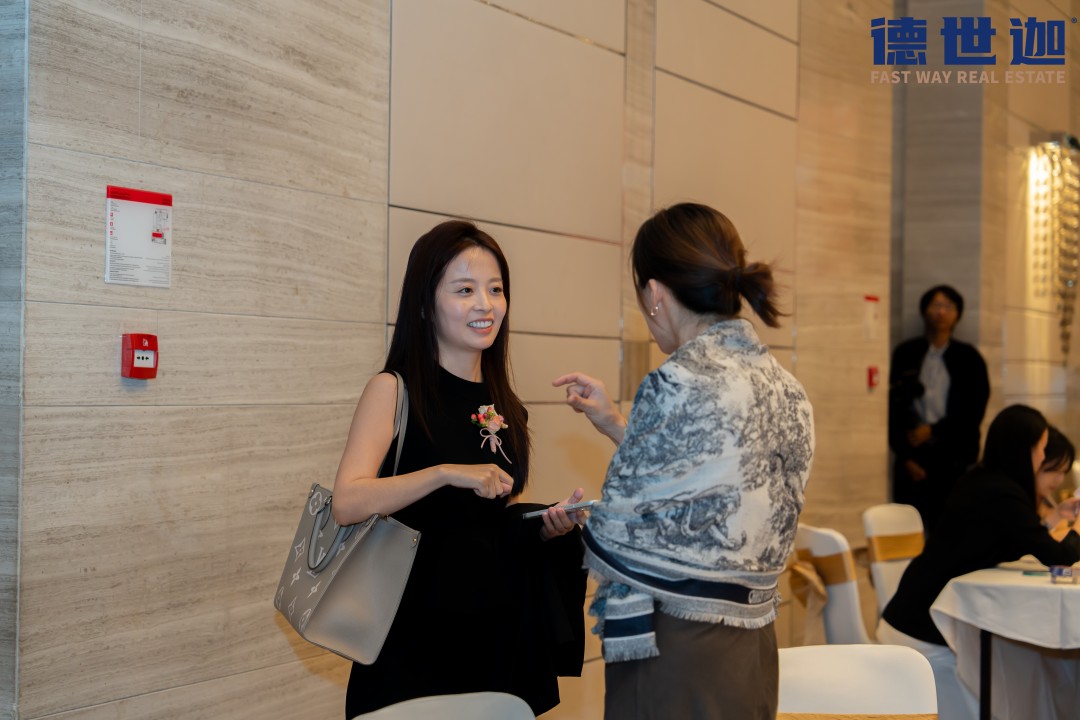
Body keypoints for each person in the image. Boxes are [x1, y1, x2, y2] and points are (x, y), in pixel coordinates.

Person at [553, 202, 815, 719]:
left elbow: (620, 531)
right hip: (753, 641)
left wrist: (572, 519)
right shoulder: (786, 387)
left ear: (654, 294)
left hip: (675, 647)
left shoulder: (677, 381)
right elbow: (716, 477)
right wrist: (617, 425)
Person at [331, 220, 587, 717]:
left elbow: (489, 524)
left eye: (496, 290)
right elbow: (347, 501)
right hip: (410, 634)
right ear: (426, 303)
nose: (485, 305)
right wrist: (445, 472)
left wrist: (544, 527)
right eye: (465, 290)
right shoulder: (393, 390)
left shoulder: (505, 405)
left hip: (493, 633)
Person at [879, 405, 1080, 719]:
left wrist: (1057, 521)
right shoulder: (1002, 493)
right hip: (923, 631)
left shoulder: (984, 481)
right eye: (1040, 449)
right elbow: (1059, 557)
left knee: (1019, 671)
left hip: (917, 613)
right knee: (1012, 683)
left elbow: (1013, 543)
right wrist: (1077, 528)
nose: (1043, 457)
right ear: (1021, 449)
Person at [889, 285, 990, 533]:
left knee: (949, 529)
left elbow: (973, 410)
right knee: (907, 530)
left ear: (958, 314)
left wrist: (933, 431)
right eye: (936, 305)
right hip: (912, 455)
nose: (941, 312)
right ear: (925, 310)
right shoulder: (907, 353)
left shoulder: (968, 358)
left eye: (948, 306)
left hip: (952, 458)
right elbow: (892, 408)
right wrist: (905, 455)